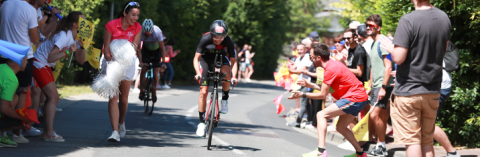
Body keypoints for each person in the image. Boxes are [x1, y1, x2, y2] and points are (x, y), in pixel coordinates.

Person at [380, 0, 451, 156]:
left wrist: (391, 47)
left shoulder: (408, 19)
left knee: (412, 142)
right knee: (427, 142)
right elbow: (442, 51)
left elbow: (398, 58)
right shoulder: (444, 17)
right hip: (432, 90)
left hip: (409, 91)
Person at [291, 43, 367, 157]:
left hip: (355, 98)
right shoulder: (332, 65)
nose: (311, 60)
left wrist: (303, 94)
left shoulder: (330, 69)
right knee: (340, 127)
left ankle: (321, 151)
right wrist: (310, 85)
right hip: (360, 97)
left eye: (311, 57)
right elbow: (328, 88)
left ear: (318, 58)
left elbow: (322, 95)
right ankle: (360, 153)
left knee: (321, 115)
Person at [32, 11, 85, 142]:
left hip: (44, 64)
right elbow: (51, 56)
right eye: (82, 21)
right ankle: (48, 133)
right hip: (39, 63)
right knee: (53, 96)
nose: (86, 24)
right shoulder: (64, 35)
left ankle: (47, 132)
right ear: (75, 24)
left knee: (53, 97)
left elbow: (81, 60)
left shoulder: (74, 36)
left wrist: (83, 47)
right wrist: (67, 52)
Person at [0, 0, 40, 144]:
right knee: (21, 93)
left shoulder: (5, 4)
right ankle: (17, 133)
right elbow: (35, 39)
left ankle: (3, 132)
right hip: (23, 56)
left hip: (4, 52)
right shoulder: (29, 9)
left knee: (4, 93)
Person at [102, 1, 142, 142]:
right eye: (133, 15)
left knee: (123, 100)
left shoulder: (138, 27)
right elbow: (106, 48)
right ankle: (115, 132)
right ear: (125, 13)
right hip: (111, 61)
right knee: (113, 97)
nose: (135, 18)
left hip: (128, 63)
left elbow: (134, 48)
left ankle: (121, 122)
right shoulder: (111, 25)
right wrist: (110, 63)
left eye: (137, 15)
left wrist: (125, 60)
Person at [193, 20, 238, 137]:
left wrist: (234, 76)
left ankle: (225, 99)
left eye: (222, 37)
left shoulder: (228, 40)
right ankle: (202, 123)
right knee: (203, 92)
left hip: (220, 58)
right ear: (211, 34)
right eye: (216, 37)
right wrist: (198, 72)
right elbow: (196, 58)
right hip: (206, 60)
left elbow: (233, 60)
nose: (218, 39)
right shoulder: (205, 38)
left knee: (226, 72)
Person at [363, 14, 395, 156]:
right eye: (367, 25)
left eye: (371, 26)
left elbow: (388, 66)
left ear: (379, 27)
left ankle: (380, 147)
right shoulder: (373, 43)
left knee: (374, 115)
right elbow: (373, 67)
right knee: (380, 116)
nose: (368, 28)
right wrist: (370, 86)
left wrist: (383, 87)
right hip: (376, 85)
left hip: (383, 85)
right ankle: (380, 146)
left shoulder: (382, 41)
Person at [0, 55, 34, 148]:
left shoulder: (2, 67)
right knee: (23, 122)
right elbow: (4, 108)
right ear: (20, 61)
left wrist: (18, 91)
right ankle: (1, 135)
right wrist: (25, 120)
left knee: (15, 96)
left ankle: (2, 135)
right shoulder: (12, 79)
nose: (27, 63)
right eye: (26, 60)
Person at [138, 19, 166, 99]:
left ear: (152, 30)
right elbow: (139, 49)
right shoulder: (140, 33)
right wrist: (140, 61)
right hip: (146, 51)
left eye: (149, 34)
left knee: (156, 70)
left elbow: (162, 48)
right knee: (144, 69)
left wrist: (163, 62)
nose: (147, 35)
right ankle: (142, 91)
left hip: (156, 51)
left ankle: (154, 89)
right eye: (146, 34)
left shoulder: (157, 32)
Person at [286, 43, 312, 127]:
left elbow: (299, 71)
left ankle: (298, 122)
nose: (299, 51)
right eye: (298, 50)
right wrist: (291, 68)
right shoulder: (299, 59)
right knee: (306, 103)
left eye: (301, 49)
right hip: (302, 83)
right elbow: (293, 69)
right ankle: (309, 120)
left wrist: (290, 69)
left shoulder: (307, 58)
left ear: (305, 50)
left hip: (308, 83)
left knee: (303, 102)